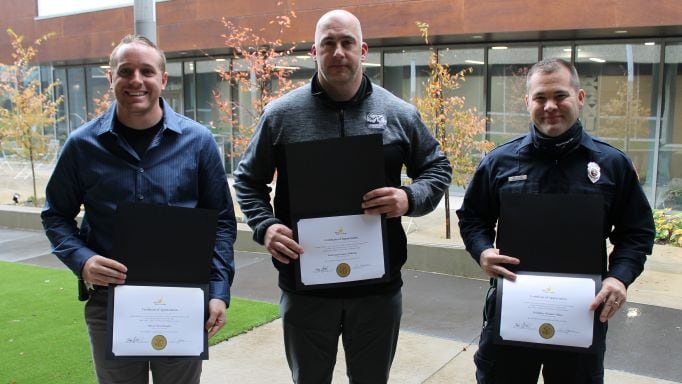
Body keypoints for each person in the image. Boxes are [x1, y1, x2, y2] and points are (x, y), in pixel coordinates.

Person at [233, 9, 452, 384]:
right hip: (305, 287)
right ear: (314, 52)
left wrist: (409, 197)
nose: (338, 52)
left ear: (362, 49)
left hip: (377, 292)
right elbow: (247, 181)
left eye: (347, 42)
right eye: (328, 44)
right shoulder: (280, 115)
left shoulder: (399, 114)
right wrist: (265, 227)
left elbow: (438, 169)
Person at [41, 35, 236, 384]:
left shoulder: (198, 142)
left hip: (183, 302)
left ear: (162, 79)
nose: (136, 80)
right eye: (125, 71)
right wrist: (82, 260)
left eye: (146, 71)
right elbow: (56, 215)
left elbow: (220, 222)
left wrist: (219, 290)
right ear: (111, 76)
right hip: (110, 303)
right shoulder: (81, 146)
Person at [456, 58, 655, 383]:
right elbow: (472, 218)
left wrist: (619, 277)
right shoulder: (499, 162)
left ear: (579, 98)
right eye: (540, 98)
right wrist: (482, 251)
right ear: (527, 103)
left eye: (560, 95)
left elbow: (637, 232)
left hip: (580, 318)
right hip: (513, 315)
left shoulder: (612, 165)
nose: (550, 106)